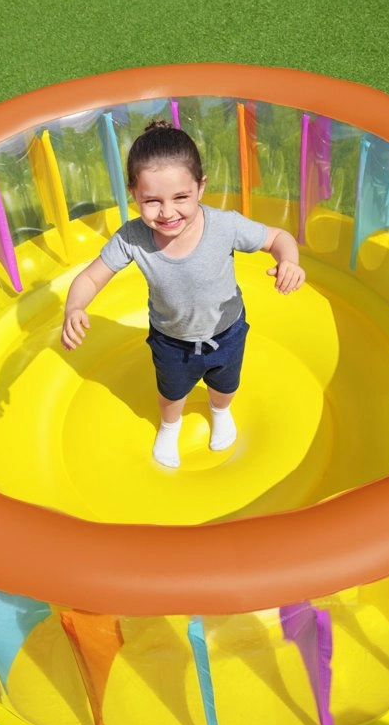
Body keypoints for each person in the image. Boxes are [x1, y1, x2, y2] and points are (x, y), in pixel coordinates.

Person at [61, 120, 305, 468]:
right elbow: (90, 277)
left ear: (200, 187)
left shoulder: (224, 226)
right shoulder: (132, 238)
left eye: (180, 197)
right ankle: (169, 426)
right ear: (134, 194)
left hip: (227, 333)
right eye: (152, 201)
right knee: (170, 393)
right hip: (171, 340)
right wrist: (74, 307)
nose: (167, 212)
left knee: (225, 386)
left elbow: (278, 238)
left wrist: (289, 262)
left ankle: (220, 413)